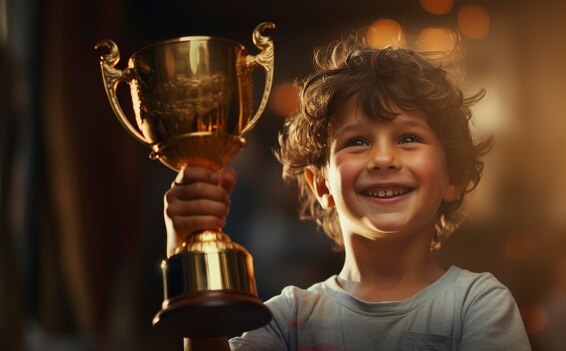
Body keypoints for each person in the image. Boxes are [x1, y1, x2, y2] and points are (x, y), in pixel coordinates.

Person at [163, 35, 531, 350]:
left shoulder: (477, 303)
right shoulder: (287, 319)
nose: (383, 158)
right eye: (357, 141)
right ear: (320, 184)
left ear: (452, 177)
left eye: (408, 138)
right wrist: (186, 250)